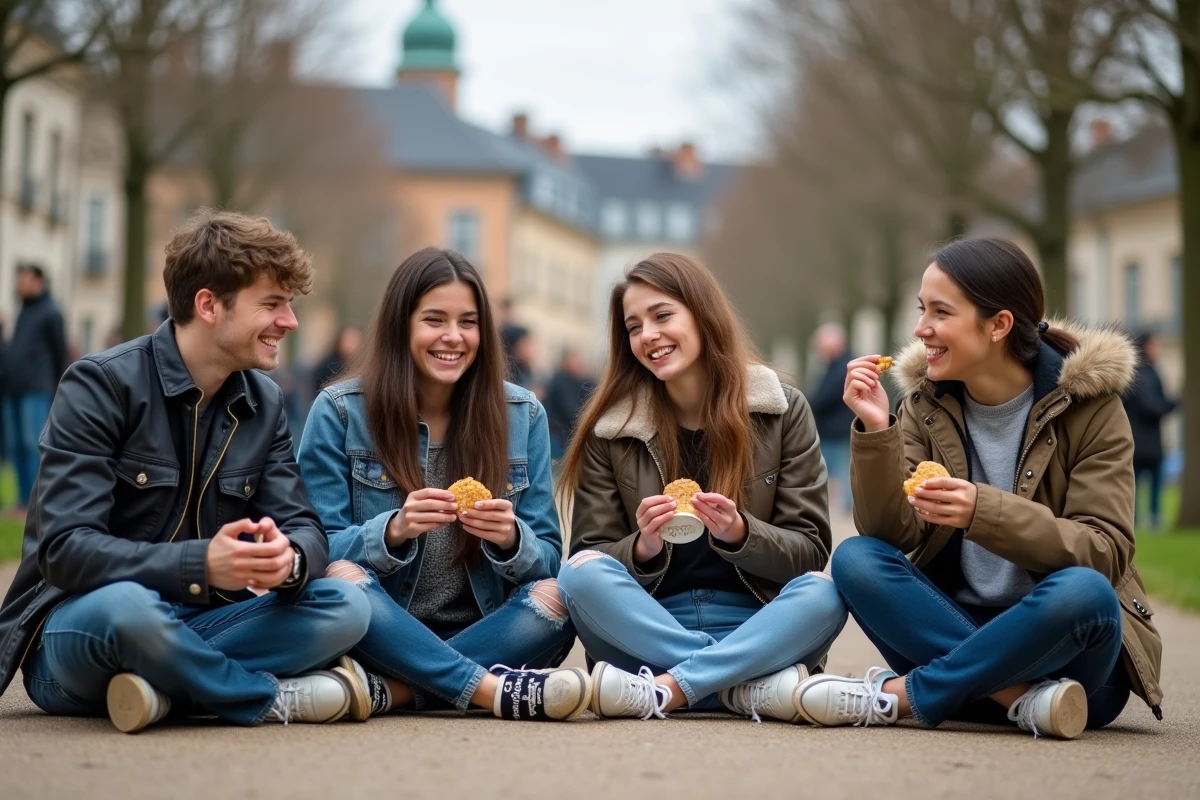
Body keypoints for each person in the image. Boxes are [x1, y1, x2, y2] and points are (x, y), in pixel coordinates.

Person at [0, 210, 372, 734]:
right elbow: (63, 549)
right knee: (130, 608)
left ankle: (167, 692)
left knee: (346, 606)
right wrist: (200, 565)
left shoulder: (264, 402)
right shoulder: (100, 386)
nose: (289, 321)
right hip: (82, 631)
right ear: (208, 305)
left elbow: (308, 530)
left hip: (201, 622)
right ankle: (262, 697)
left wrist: (284, 560)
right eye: (272, 304)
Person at [800, 237, 1163, 739]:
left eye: (940, 312)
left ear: (999, 325)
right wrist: (878, 430)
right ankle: (1019, 701)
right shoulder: (925, 404)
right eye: (921, 309)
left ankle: (903, 696)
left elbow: (1104, 552)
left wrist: (983, 511)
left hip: (1072, 670)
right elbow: (890, 533)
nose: (920, 329)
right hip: (972, 643)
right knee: (856, 559)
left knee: (1086, 592)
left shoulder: (1090, 407)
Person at [298, 247, 586, 722]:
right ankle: (490, 689)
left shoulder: (522, 415)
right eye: (434, 320)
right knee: (342, 582)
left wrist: (512, 540)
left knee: (560, 597)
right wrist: (391, 530)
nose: (453, 337)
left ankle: (396, 690)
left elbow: (550, 557)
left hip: (489, 625)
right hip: (381, 623)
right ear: (402, 325)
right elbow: (314, 548)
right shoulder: (340, 411)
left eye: (468, 322)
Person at [555, 252, 846, 723]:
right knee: (579, 573)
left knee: (826, 592)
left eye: (662, 315)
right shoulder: (611, 428)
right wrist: (643, 547)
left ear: (703, 314)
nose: (648, 335)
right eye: (633, 326)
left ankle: (668, 689)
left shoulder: (780, 409)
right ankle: (741, 688)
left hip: (758, 623)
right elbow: (591, 552)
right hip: (647, 625)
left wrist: (740, 533)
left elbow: (810, 552)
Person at [2, 264, 68, 508]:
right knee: (16, 445)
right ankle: (21, 500)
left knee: (33, 444)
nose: (19, 284)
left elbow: (59, 352)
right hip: (15, 389)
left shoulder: (51, 313)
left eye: (24, 280)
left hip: (36, 390)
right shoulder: (23, 312)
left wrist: (59, 389)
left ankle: (35, 501)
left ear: (39, 281)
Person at [1122, 331, 1177, 531]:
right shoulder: (1144, 373)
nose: (1158, 350)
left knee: (1142, 483)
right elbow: (1150, 405)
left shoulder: (1144, 371)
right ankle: (1145, 520)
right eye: (1155, 345)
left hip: (1143, 440)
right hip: (1143, 441)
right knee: (1143, 482)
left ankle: (1142, 519)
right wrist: (1170, 405)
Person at [808, 322, 856, 514]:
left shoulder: (843, 367)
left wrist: (810, 401)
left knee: (837, 469)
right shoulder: (833, 365)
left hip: (836, 429)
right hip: (831, 428)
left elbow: (825, 397)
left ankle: (848, 506)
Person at [543, 348, 594, 462]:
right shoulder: (559, 381)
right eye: (574, 359)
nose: (579, 362)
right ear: (565, 361)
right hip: (558, 435)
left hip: (571, 435)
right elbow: (569, 409)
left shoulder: (583, 381)